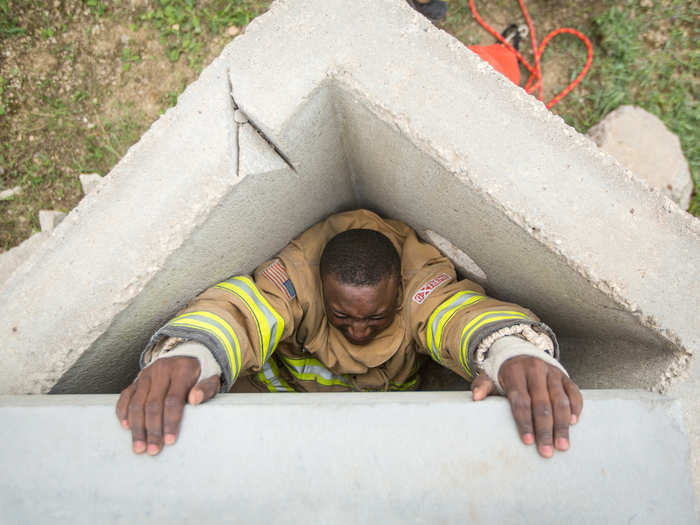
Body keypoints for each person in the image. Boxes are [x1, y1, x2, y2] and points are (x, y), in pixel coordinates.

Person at [117, 209, 582, 458]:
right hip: (286, 422)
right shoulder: (296, 279)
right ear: (322, 290)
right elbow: (247, 311)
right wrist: (195, 353)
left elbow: (449, 312)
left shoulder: (419, 282)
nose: (359, 331)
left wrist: (507, 349)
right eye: (343, 318)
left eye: (376, 319)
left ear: (398, 290)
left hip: (382, 431)